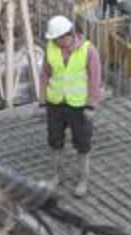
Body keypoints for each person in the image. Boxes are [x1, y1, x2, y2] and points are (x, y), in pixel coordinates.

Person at [39, 15, 103, 197]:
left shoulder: (88, 51)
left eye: (57, 39)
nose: (56, 43)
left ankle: (82, 179)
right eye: (53, 40)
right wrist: (42, 99)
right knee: (54, 140)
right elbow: (45, 74)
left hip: (79, 105)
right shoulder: (51, 48)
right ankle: (56, 176)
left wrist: (92, 105)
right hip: (56, 103)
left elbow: (95, 80)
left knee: (82, 143)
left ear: (68, 34)